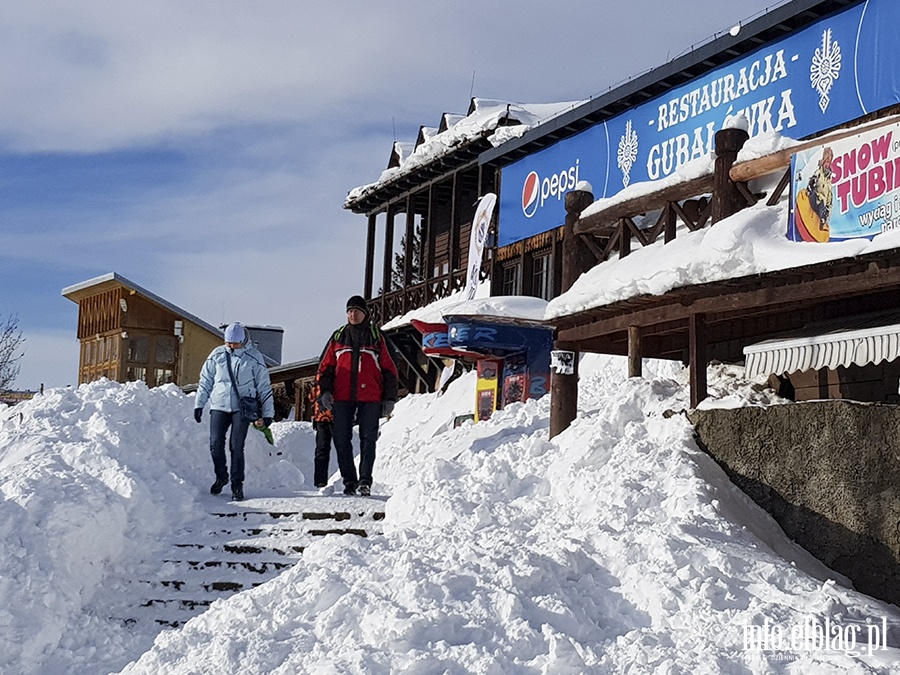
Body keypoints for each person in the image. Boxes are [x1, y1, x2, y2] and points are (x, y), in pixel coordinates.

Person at [316, 295, 398, 496]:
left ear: (365, 313)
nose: (353, 314)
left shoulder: (377, 337)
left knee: (368, 440)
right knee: (341, 440)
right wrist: (325, 392)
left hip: (370, 397)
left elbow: (390, 369)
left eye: (357, 311)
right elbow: (325, 367)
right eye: (349, 311)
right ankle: (349, 481)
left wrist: (389, 398)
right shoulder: (338, 336)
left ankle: (365, 481)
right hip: (341, 397)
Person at [194, 322, 274, 501]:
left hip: (242, 407)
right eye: (228, 342)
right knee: (215, 444)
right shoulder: (217, 354)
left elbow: (264, 386)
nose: (231, 346)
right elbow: (206, 380)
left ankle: (237, 485)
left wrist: (268, 414)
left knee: (236, 446)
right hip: (219, 405)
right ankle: (221, 476)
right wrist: (199, 404)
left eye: (235, 343)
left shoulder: (254, 357)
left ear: (243, 341)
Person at [308, 371, 334, 490]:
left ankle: (320, 481)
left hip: (320, 416)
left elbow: (311, 396)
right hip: (338, 415)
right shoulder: (341, 374)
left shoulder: (319, 376)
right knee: (343, 448)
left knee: (321, 449)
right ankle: (347, 479)